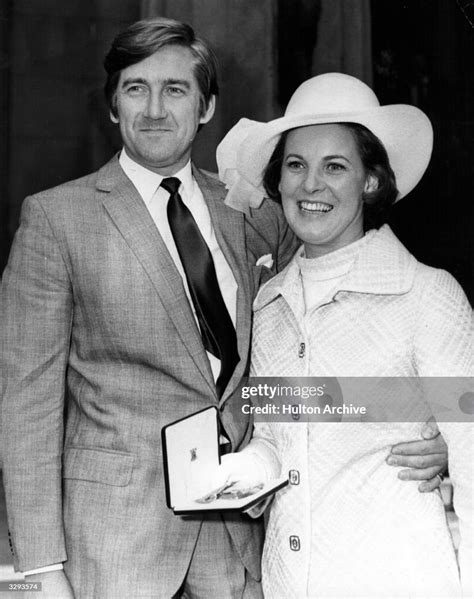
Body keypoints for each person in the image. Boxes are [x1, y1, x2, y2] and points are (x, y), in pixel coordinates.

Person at [0, 18, 447, 599]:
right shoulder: (57, 219)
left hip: (240, 544)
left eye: (176, 89)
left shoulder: (257, 214)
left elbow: (310, 357)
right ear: (113, 106)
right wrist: (39, 570)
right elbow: (26, 401)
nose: (154, 109)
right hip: (111, 549)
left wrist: (424, 424)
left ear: (207, 105)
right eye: (136, 88)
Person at [214, 73, 473, 598]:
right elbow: (277, 440)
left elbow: (471, 461)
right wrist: (225, 473)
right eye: (296, 165)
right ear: (278, 182)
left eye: (335, 166)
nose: (312, 185)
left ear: (371, 181)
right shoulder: (268, 306)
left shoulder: (427, 295)